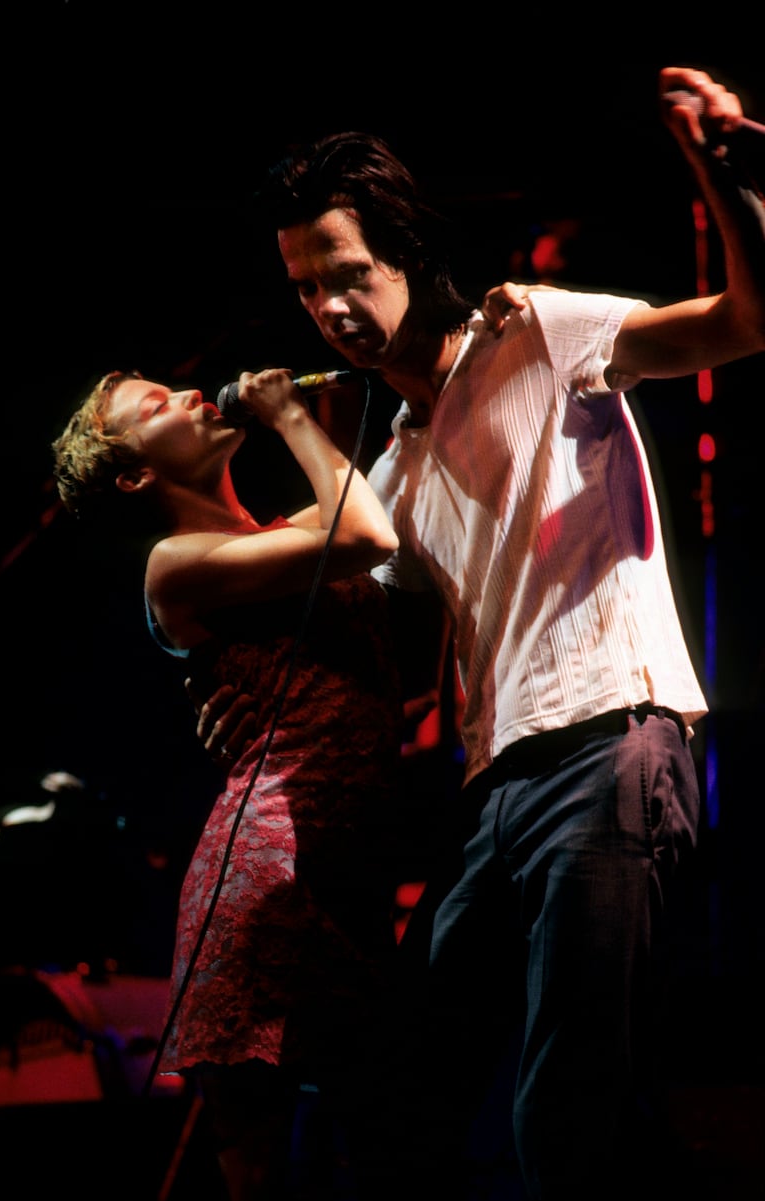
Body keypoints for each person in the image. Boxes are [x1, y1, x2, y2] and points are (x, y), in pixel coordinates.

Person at [193, 67, 765, 1200]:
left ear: (403, 252)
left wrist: (724, 176)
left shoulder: (538, 331)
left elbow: (745, 324)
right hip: (494, 785)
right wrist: (235, 682)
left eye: (347, 275)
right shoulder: (396, 467)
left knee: (567, 1111)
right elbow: (306, 596)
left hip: (606, 743)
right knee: (403, 1095)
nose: (329, 309)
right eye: (305, 289)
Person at [51, 366, 429, 1200]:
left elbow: (379, 508)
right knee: (259, 1170)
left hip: (348, 873)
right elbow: (369, 536)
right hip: (268, 880)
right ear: (135, 475)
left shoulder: (287, 533)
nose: (191, 394)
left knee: (384, 1154)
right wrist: (291, 415)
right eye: (156, 406)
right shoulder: (174, 563)